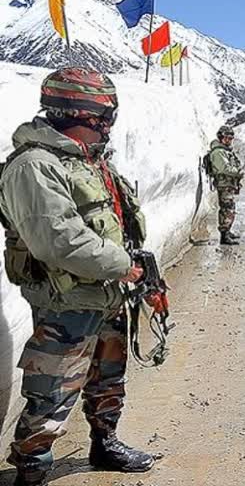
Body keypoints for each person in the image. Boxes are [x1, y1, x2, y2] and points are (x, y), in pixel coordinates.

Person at [0, 67, 154, 485]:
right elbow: (58, 241)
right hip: (64, 301)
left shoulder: (87, 160)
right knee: (51, 393)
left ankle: (105, 442)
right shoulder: (35, 166)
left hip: (104, 294)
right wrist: (123, 265)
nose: (107, 128)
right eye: (102, 119)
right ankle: (32, 471)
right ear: (75, 114)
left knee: (107, 376)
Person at [208, 125, 243, 245]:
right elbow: (224, 168)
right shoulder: (218, 152)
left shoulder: (225, 151)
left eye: (230, 138)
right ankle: (224, 236)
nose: (229, 140)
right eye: (226, 138)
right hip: (224, 184)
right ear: (221, 137)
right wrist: (237, 172)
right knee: (227, 209)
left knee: (229, 208)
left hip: (228, 184)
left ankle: (227, 231)